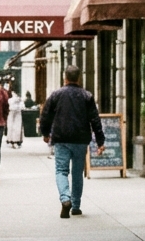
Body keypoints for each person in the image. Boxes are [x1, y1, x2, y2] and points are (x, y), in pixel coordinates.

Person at [40, 64, 105, 218]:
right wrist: (100, 141)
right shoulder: (86, 96)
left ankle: (65, 198)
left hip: (61, 138)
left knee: (61, 171)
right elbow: (95, 120)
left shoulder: (56, 95)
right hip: (80, 139)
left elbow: (46, 114)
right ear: (79, 78)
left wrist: (45, 132)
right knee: (77, 172)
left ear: (65, 78)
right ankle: (75, 206)